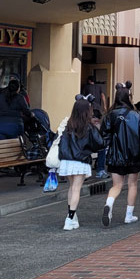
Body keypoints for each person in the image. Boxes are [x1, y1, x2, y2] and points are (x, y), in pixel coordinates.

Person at [101, 86, 140, 228]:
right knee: (132, 184)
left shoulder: (109, 116)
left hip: (115, 156)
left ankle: (109, 204)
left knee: (116, 185)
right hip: (134, 156)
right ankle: (129, 215)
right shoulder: (138, 116)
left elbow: (104, 137)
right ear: (129, 98)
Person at [57, 96, 105, 231]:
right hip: (80, 160)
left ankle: (72, 216)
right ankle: (70, 219)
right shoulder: (88, 126)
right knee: (76, 189)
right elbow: (100, 143)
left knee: (71, 188)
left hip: (67, 160)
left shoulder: (68, 124)